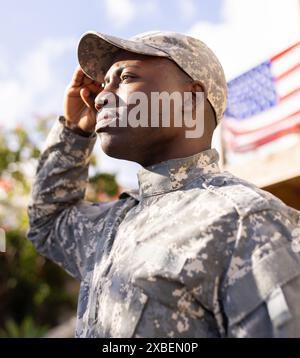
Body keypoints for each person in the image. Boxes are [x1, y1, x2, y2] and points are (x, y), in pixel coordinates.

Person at [28, 30, 300, 338]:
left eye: (126, 77)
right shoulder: (113, 225)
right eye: (104, 84)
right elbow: (47, 223)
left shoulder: (246, 222)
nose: (102, 95)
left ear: (191, 98)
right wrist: (75, 132)